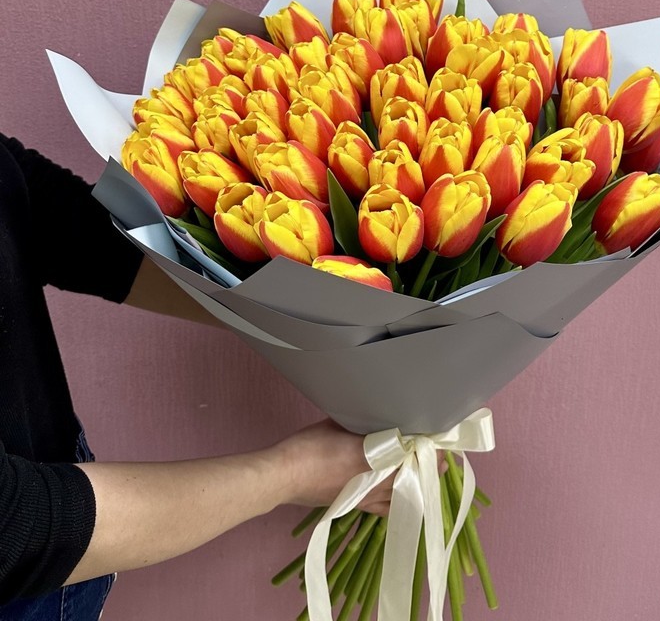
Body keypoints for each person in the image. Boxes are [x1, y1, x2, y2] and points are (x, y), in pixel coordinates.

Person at [0, 132, 390, 618]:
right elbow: (10, 530)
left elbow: (33, 204)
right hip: (36, 562)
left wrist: (353, 324)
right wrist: (294, 473)